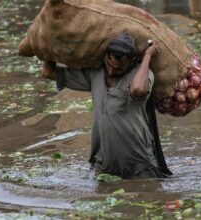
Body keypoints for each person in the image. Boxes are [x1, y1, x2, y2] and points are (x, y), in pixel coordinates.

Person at [42, 33, 172, 179]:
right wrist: (49, 44)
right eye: (109, 64)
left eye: (118, 68)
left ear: (131, 62)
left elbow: (138, 90)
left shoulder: (141, 74)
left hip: (139, 165)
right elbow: (48, 72)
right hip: (104, 164)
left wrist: (147, 56)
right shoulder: (96, 73)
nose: (111, 70)